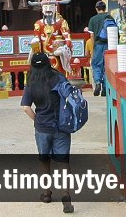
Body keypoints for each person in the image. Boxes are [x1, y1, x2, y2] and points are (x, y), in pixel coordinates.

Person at [21, 53, 74, 213]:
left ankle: (46, 194)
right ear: (48, 63)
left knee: (44, 160)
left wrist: (37, 120)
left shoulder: (31, 82)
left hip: (42, 127)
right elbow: (71, 97)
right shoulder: (59, 77)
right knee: (63, 161)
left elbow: (25, 107)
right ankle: (65, 193)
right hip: (61, 126)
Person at [85, 1, 109, 96]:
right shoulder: (109, 17)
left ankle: (98, 82)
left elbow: (92, 35)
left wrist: (93, 48)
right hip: (108, 45)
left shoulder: (93, 19)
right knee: (106, 66)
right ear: (105, 8)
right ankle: (105, 89)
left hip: (98, 45)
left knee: (96, 65)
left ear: (96, 9)